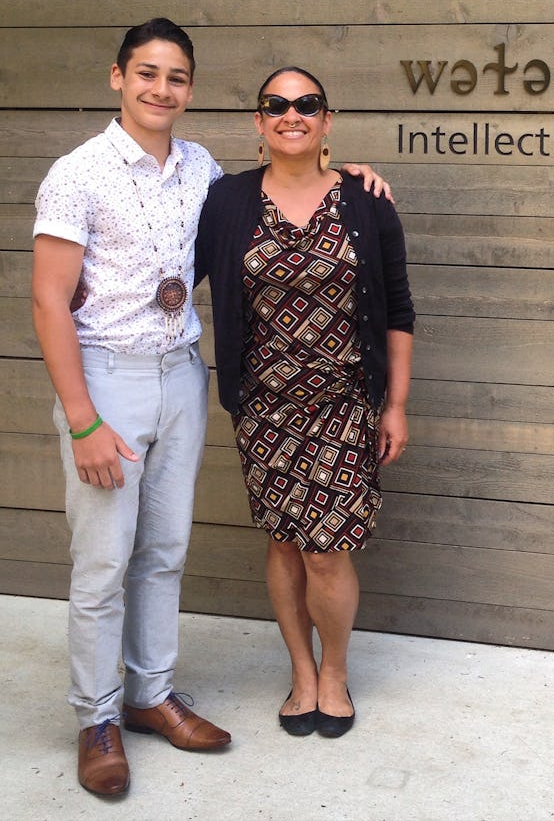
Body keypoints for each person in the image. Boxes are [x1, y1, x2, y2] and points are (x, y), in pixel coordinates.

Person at [31, 19, 391, 795]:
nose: (162, 89)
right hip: (109, 378)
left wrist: (345, 173)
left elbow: (283, 190)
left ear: (190, 90)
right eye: (147, 73)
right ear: (117, 78)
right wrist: (84, 415)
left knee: (163, 554)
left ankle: (152, 695)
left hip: (182, 376)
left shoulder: (202, 172)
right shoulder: (77, 173)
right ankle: (97, 717)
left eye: (177, 77)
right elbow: (48, 302)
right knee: (102, 563)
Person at [194, 67, 415, 739]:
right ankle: (300, 672)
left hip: (344, 401)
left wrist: (396, 404)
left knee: (328, 548)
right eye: (277, 105)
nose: (292, 114)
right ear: (258, 124)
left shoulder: (366, 202)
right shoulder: (226, 201)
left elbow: (398, 310)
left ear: (327, 118)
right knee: (286, 543)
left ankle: (336, 673)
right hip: (262, 407)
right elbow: (168, 266)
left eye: (307, 104)